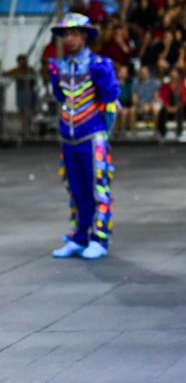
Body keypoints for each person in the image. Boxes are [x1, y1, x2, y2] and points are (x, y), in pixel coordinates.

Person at [47, 14, 119, 260]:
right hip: (68, 138)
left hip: (92, 136)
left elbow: (110, 101)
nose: (70, 38)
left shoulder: (99, 65)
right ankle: (79, 236)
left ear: (85, 36)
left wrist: (102, 133)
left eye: (75, 33)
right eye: (67, 34)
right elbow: (59, 96)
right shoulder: (59, 66)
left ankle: (99, 237)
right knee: (75, 189)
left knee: (98, 188)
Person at [3, 54, 37, 136]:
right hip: (20, 92)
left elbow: (33, 78)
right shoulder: (17, 70)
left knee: (28, 111)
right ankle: (24, 128)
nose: (22, 62)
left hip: (29, 92)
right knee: (22, 111)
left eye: (23, 60)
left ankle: (28, 128)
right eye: (20, 61)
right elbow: (7, 74)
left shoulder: (29, 70)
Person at [157, 69, 186, 140]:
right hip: (168, 108)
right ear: (169, 77)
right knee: (162, 112)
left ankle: (179, 133)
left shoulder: (182, 86)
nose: (173, 77)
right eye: (172, 76)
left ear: (178, 77)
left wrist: (176, 107)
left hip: (179, 107)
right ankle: (162, 133)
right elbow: (163, 98)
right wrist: (168, 107)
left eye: (175, 76)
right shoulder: (165, 86)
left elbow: (185, 98)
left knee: (181, 111)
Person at [131, 66, 160, 138]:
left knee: (156, 110)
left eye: (144, 72)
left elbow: (156, 98)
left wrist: (149, 106)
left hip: (151, 104)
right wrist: (141, 105)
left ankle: (155, 132)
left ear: (148, 73)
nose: (142, 74)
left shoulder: (154, 83)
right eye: (141, 72)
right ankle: (133, 134)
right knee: (132, 110)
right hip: (139, 105)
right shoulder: (136, 83)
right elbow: (134, 99)